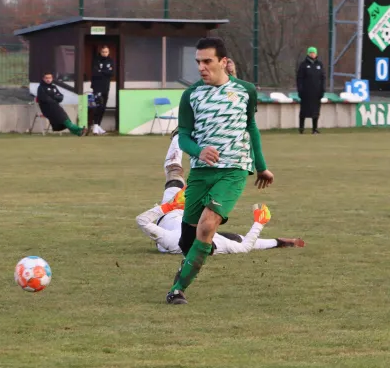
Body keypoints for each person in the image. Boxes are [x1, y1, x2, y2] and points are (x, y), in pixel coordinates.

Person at [166, 37, 274, 305]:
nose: (202, 67)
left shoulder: (246, 91)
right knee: (187, 240)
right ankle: (192, 260)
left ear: (223, 62)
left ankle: (177, 289)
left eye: (207, 61)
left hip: (234, 169)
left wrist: (261, 167)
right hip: (202, 171)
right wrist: (198, 150)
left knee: (207, 225)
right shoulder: (190, 95)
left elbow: (251, 128)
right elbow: (184, 136)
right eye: (198, 62)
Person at [136, 133, 304, 256]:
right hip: (190, 214)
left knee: (174, 172)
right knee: (237, 240)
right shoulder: (218, 244)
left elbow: (142, 221)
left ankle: (178, 136)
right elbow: (245, 247)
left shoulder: (173, 242)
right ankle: (279, 242)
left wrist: (170, 206)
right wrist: (259, 223)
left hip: (170, 212)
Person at [36, 72, 87, 137]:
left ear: (52, 78)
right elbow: (45, 99)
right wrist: (54, 97)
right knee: (62, 117)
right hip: (47, 109)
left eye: (49, 78)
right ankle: (78, 129)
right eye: (46, 78)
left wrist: (54, 97)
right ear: (43, 79)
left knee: (64, 117)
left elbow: (60, 97)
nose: (48, 79)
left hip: (56, 107)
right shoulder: (41, 88)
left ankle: (78, 132)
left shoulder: (53, 87)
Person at [296, 47, 325, 135]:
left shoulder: (319, 65)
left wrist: (322, 90)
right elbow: (299, 78)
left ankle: (315, 129)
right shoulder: (303, 65)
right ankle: (301, 128)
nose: (312, 54)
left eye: (314, 53)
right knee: (304, 111)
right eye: (311, 53)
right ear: (308, 54)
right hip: (306, 92)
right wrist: (300, 90)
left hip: (316, 93)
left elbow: (323, 78)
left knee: (316, 111)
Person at [90, 45, 114, 135]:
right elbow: (95, 72)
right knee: (98, 105)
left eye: (106, 52)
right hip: (97, 86)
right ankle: (95, 125)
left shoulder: (110, 60)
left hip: (106, 86)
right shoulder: (96, 60)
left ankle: (98, 125)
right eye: (103, 52)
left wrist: (102, 71)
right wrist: (105, 71)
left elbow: (112, 73)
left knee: (103, 106)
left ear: (108, 52)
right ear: (100, 52)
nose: (105, 53)